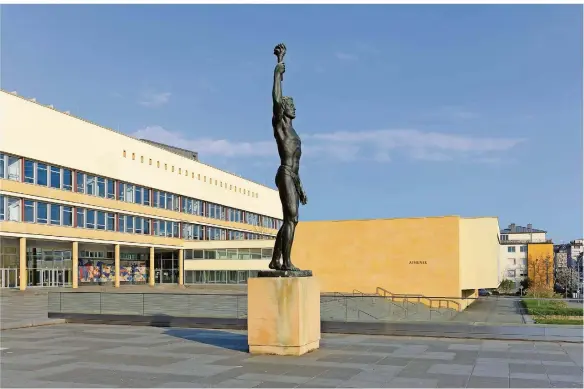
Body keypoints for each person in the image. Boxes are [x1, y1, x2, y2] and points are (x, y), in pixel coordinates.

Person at [268, 43, 308, 272]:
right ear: (283, 109)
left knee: (290, 219)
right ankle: (286, 261)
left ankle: (276, 260)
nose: (294, 107)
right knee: (291, 217)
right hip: (283, 173)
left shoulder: (294, 133)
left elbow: (298, 165)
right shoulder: (281, 126)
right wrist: (278, 66)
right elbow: (276, 96)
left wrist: (300, 187)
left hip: (292, 176)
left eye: (293, 104)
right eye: (290, 104)